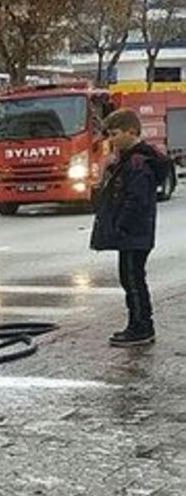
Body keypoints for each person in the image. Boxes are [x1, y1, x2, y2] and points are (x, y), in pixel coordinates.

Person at [91, 108, 169, 347]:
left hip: (134, 234)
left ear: (131, 131)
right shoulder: (128, 160)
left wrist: (122, 226)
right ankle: (138, 324)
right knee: (131, 278)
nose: (111, 139)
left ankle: (141, 327)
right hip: (134, 233)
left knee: (133, 280)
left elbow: (136, 200)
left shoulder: (137, 162)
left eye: (115, 134)